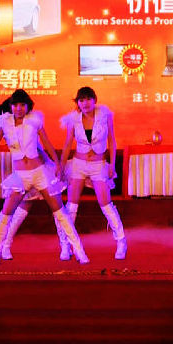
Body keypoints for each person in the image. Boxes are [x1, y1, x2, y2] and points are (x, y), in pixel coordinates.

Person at [0, 89, 88, 265]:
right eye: (15, 105)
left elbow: (47, 143)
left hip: (39, 172)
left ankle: (78, 250)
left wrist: (58, 164)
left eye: (22, 105)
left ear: (28, 106)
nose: (19, 108)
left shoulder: (34, 121)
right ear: (11, 106)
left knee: (60, 211)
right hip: (20, 175)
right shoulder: (4, 122)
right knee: (6, 212)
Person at [60, 86, 127, 259]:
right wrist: (60, 166)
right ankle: (66, 245)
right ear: (77, 103)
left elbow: (112, 140)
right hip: (78, 164)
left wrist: (112, 164)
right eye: (81, 100)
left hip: (98, 164)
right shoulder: (73, 119)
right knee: (71, 206)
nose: (85, 103)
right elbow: (67, 144)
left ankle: (121, 241)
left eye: (88, 99)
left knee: (106, 204)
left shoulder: (105, 115)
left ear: (94, 100)